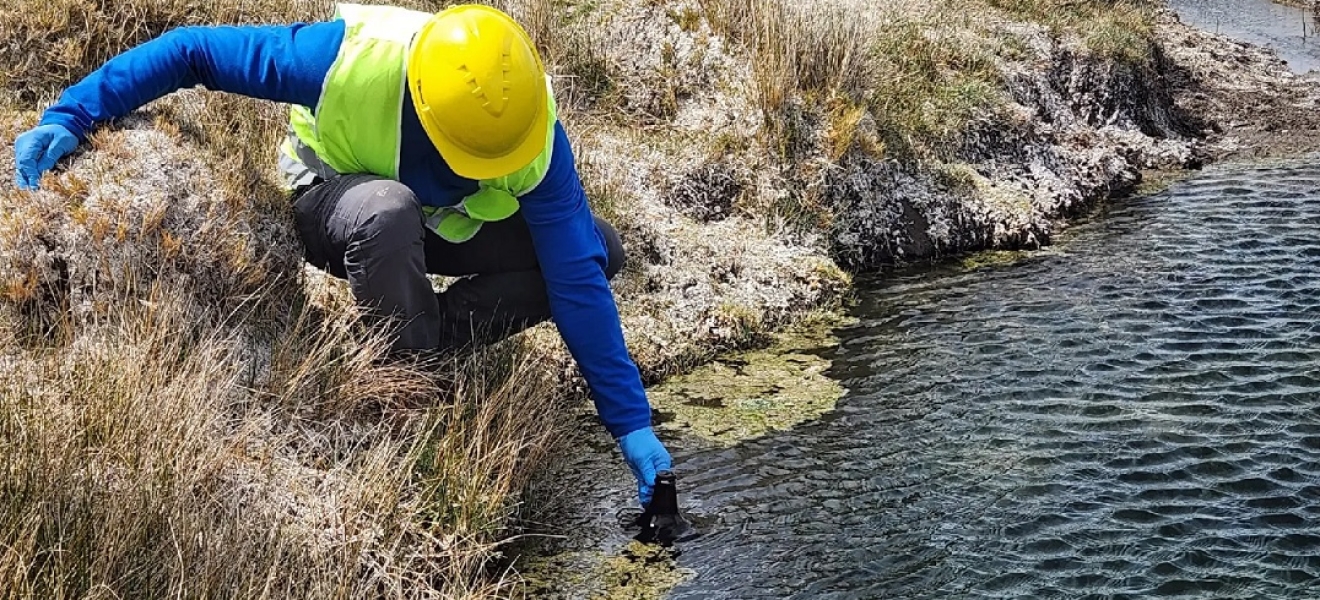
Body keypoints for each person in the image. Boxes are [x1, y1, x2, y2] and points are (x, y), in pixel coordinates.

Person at [11, 3, 673, 506]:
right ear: (423, 104)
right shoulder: (349, 58)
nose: (485, 167)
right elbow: (193, 53)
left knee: (597, 248)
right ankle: (404, 390)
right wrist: (72, 113)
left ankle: (426, 342)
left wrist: (632, 425)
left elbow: (577, 278)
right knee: (389, 210)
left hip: (443, 224)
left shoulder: (528, 125)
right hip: (339, 205)